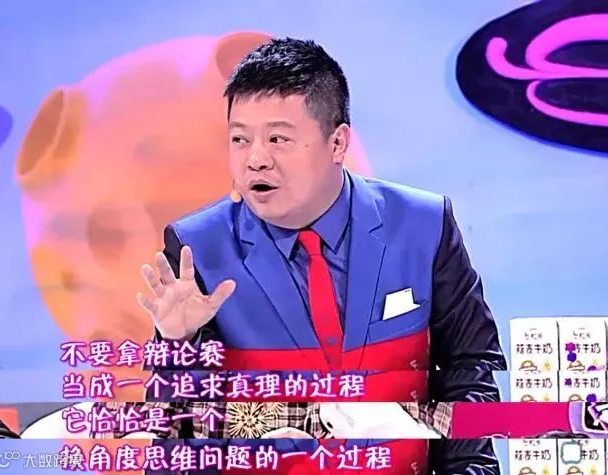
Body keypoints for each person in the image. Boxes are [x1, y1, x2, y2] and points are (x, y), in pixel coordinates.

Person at [137, 37, 507, 474]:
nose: (255, 160)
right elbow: (178, 446)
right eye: (240, 139)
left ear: (337, 143)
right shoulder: (197, 249)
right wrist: (178, 347)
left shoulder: (423, 226)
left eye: (278, 138)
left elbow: (468, 369)